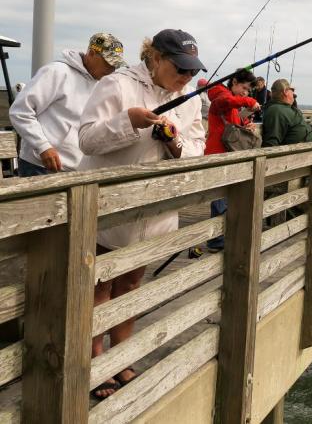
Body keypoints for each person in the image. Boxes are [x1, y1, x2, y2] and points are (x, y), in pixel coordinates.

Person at [79, 29, 206, 399]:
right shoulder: (117, 85)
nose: (186, 77)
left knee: (132, 284)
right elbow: (86, 139)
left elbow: (196, 149)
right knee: (100, 287)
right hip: (110, 205)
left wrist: (173, 141)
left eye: (191, 70)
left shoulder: (189, 99)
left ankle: (122, 358)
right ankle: (96, 363)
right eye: (179, 68)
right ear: (155, 58)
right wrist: (129, 122)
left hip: (156, 207)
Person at [9, 32, 126, 176]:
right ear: (91, 53)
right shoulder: (56, 72)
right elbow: (20, 111)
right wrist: (43, 146)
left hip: (78, 170)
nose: (112, 69)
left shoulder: (102, 84)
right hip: (40, 166)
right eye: (108, 62)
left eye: (116, 65)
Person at [204, 68, 260, 251]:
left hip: (228, 153)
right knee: (220, 201)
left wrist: (246, 125)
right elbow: (226, 102)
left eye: (248, 91)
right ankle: (216, 241)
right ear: (234, 82)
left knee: (227, 199)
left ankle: (223, 238)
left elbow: (232, 122)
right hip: (218, 155)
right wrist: (250, 101)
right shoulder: (221, 94)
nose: (245, 92)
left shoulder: (232, 104)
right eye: (243, 88)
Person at [262, 78, 312, 147]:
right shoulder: (276, 110)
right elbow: (271, 142)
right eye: (292, 90)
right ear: (285, 91)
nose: (294, 94)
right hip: (297, 154)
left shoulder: (287, 108)